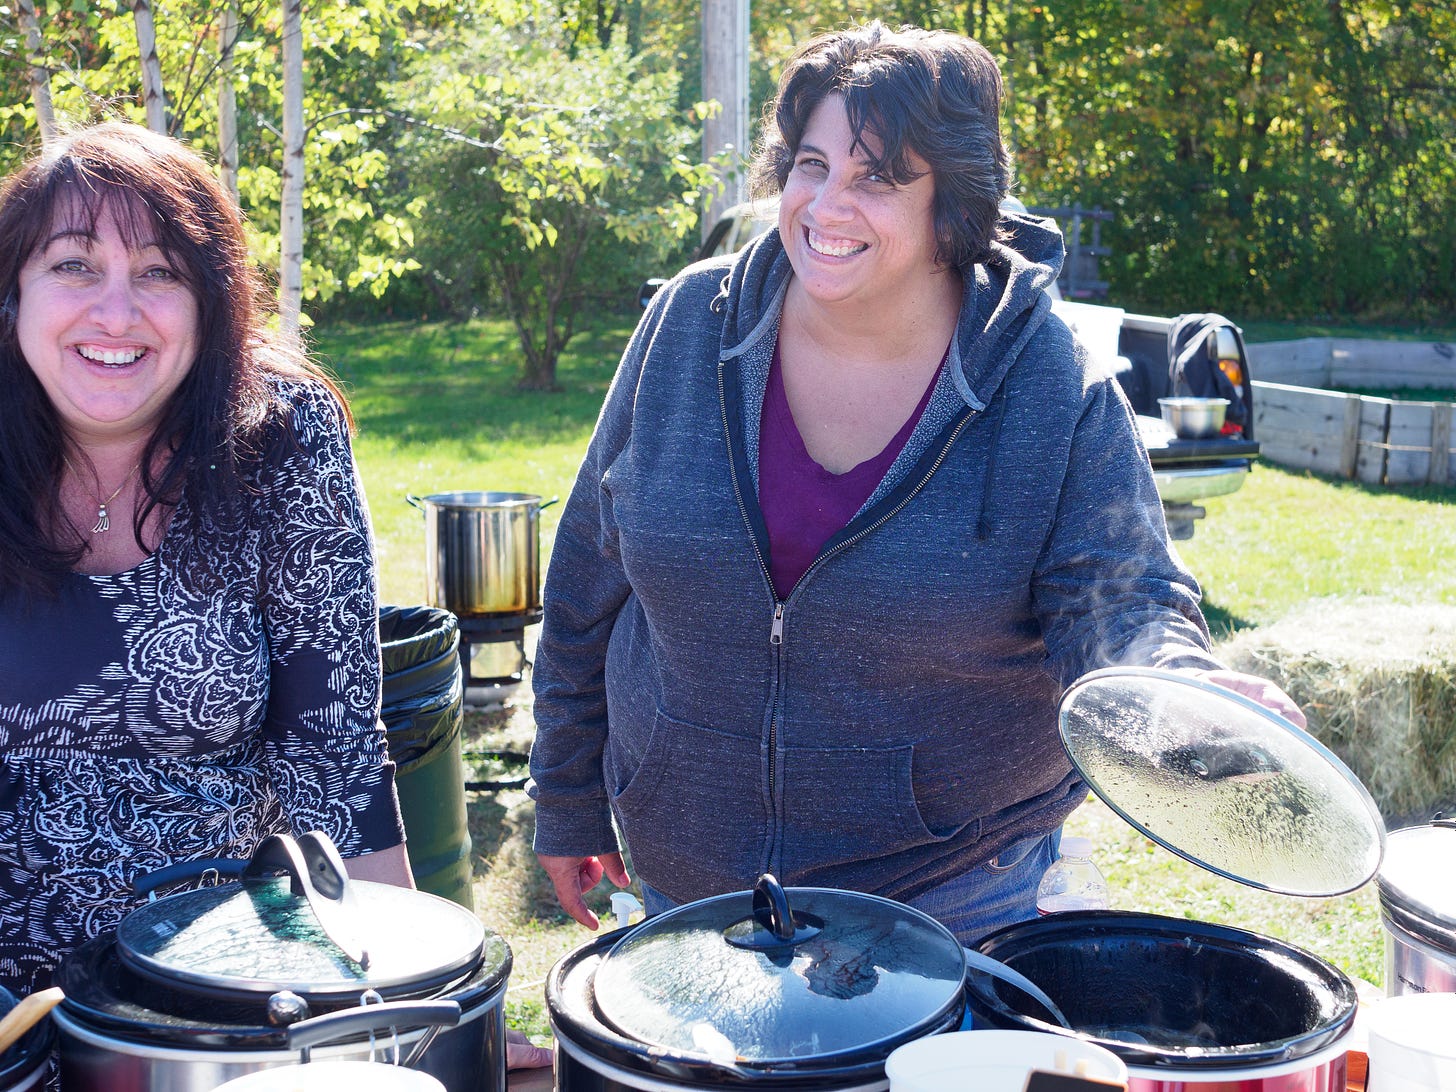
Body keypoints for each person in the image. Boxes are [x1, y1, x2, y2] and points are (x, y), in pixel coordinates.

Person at [527, 21, 1305, 945]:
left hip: (948, 901)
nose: (826, 205)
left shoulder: (1046, 375)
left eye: (878, 176)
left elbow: (1119, 600)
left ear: (956, 203)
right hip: (688, 886)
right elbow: (587, 575)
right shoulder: (690, 325)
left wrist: (1183, 690)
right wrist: (568, 793)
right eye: (811, 165)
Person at [0, 122, 415, 997]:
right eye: (74, 265)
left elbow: (332, 750)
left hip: (226, 983)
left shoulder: (282, 435)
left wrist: (416, 1000)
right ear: (14, 294)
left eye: (159, 272)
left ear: (211, 304)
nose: (117, 313)